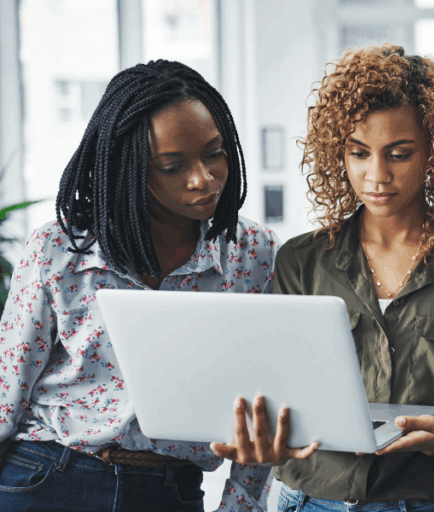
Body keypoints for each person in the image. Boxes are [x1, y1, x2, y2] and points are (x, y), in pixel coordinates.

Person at [213, 44, 434, 512]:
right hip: (310, 501)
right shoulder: (302, 261)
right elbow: (275, 392)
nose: (376, 175)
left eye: (398, 154)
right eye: (359, 153)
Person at [0, 60, 281, 510]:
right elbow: (6, 391)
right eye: (172, 166)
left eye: (215, 153)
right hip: (46, 475)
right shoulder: (58, 250)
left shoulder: (254, 255)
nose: (203, 179)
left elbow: (267, 401)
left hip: (170, 489)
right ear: (127, 170)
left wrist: (239, 503)